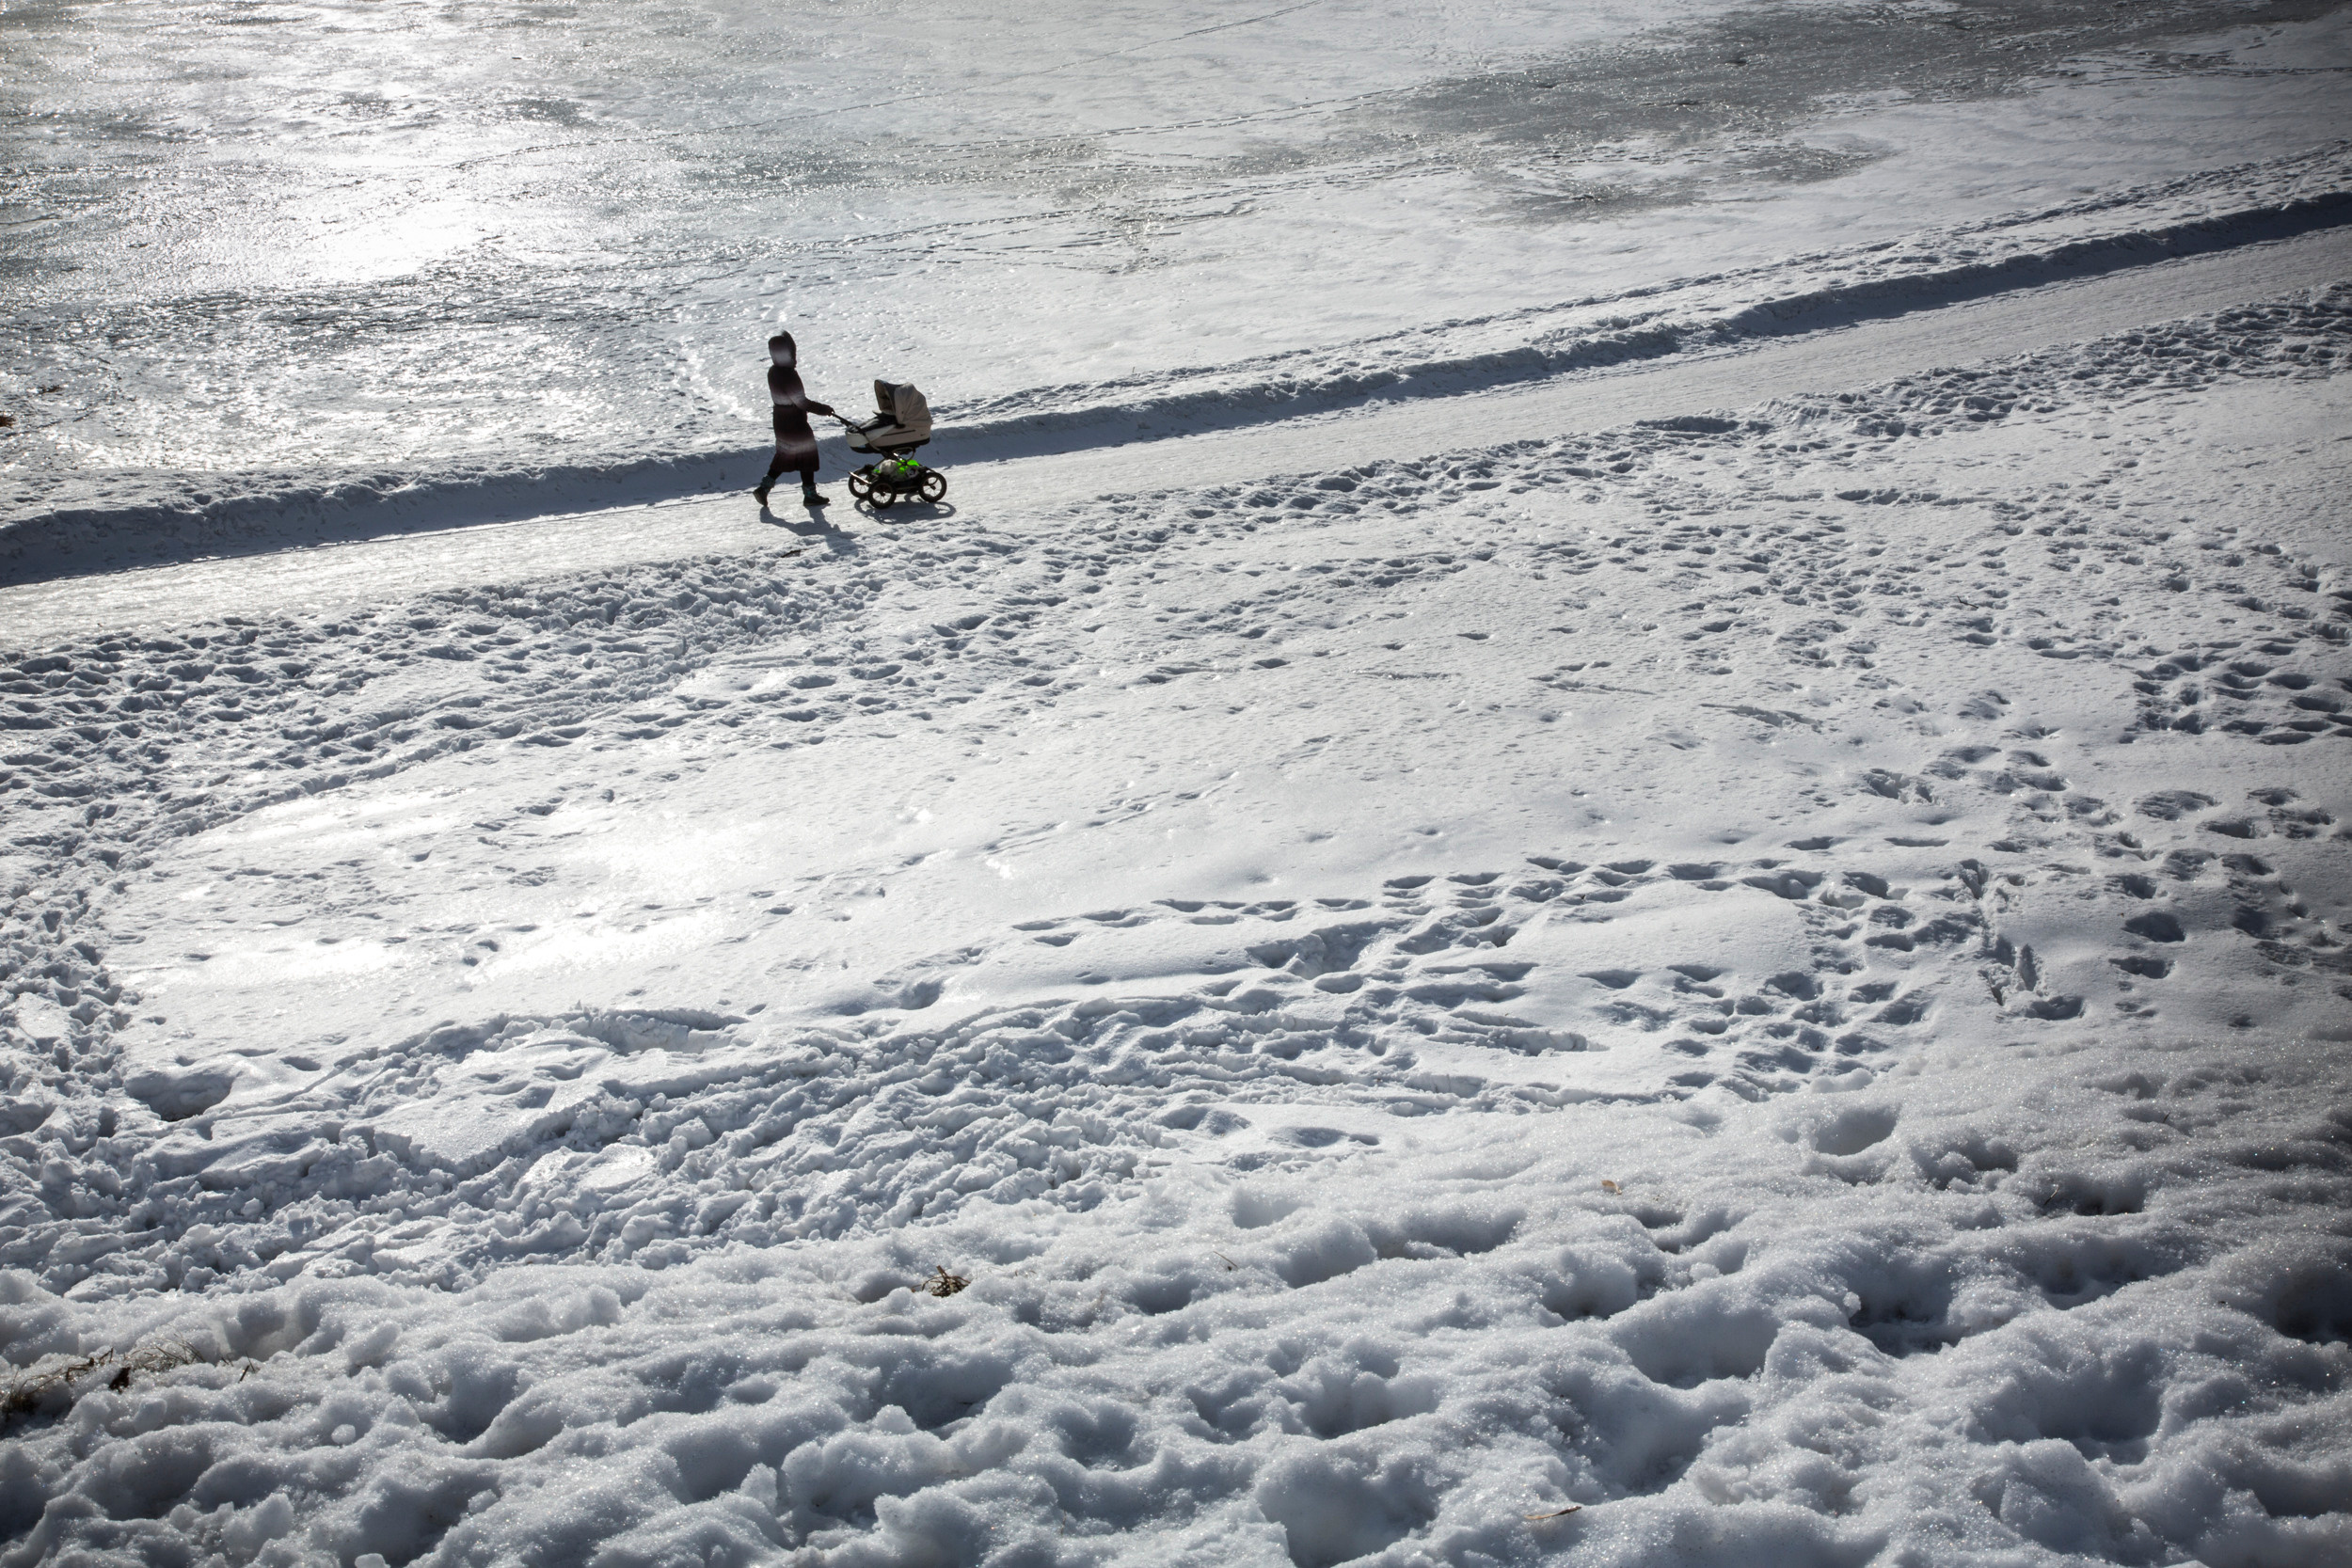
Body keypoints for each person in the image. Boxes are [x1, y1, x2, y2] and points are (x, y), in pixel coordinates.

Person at [753, 331, 836, 508]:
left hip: (781, 419)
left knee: (785, 454)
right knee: (808, 456)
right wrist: (824, 410)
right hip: (794, 422)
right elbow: (802, 402)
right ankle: (810, 495)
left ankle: (764, 488)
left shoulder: (773, 371)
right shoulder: (789, 376)